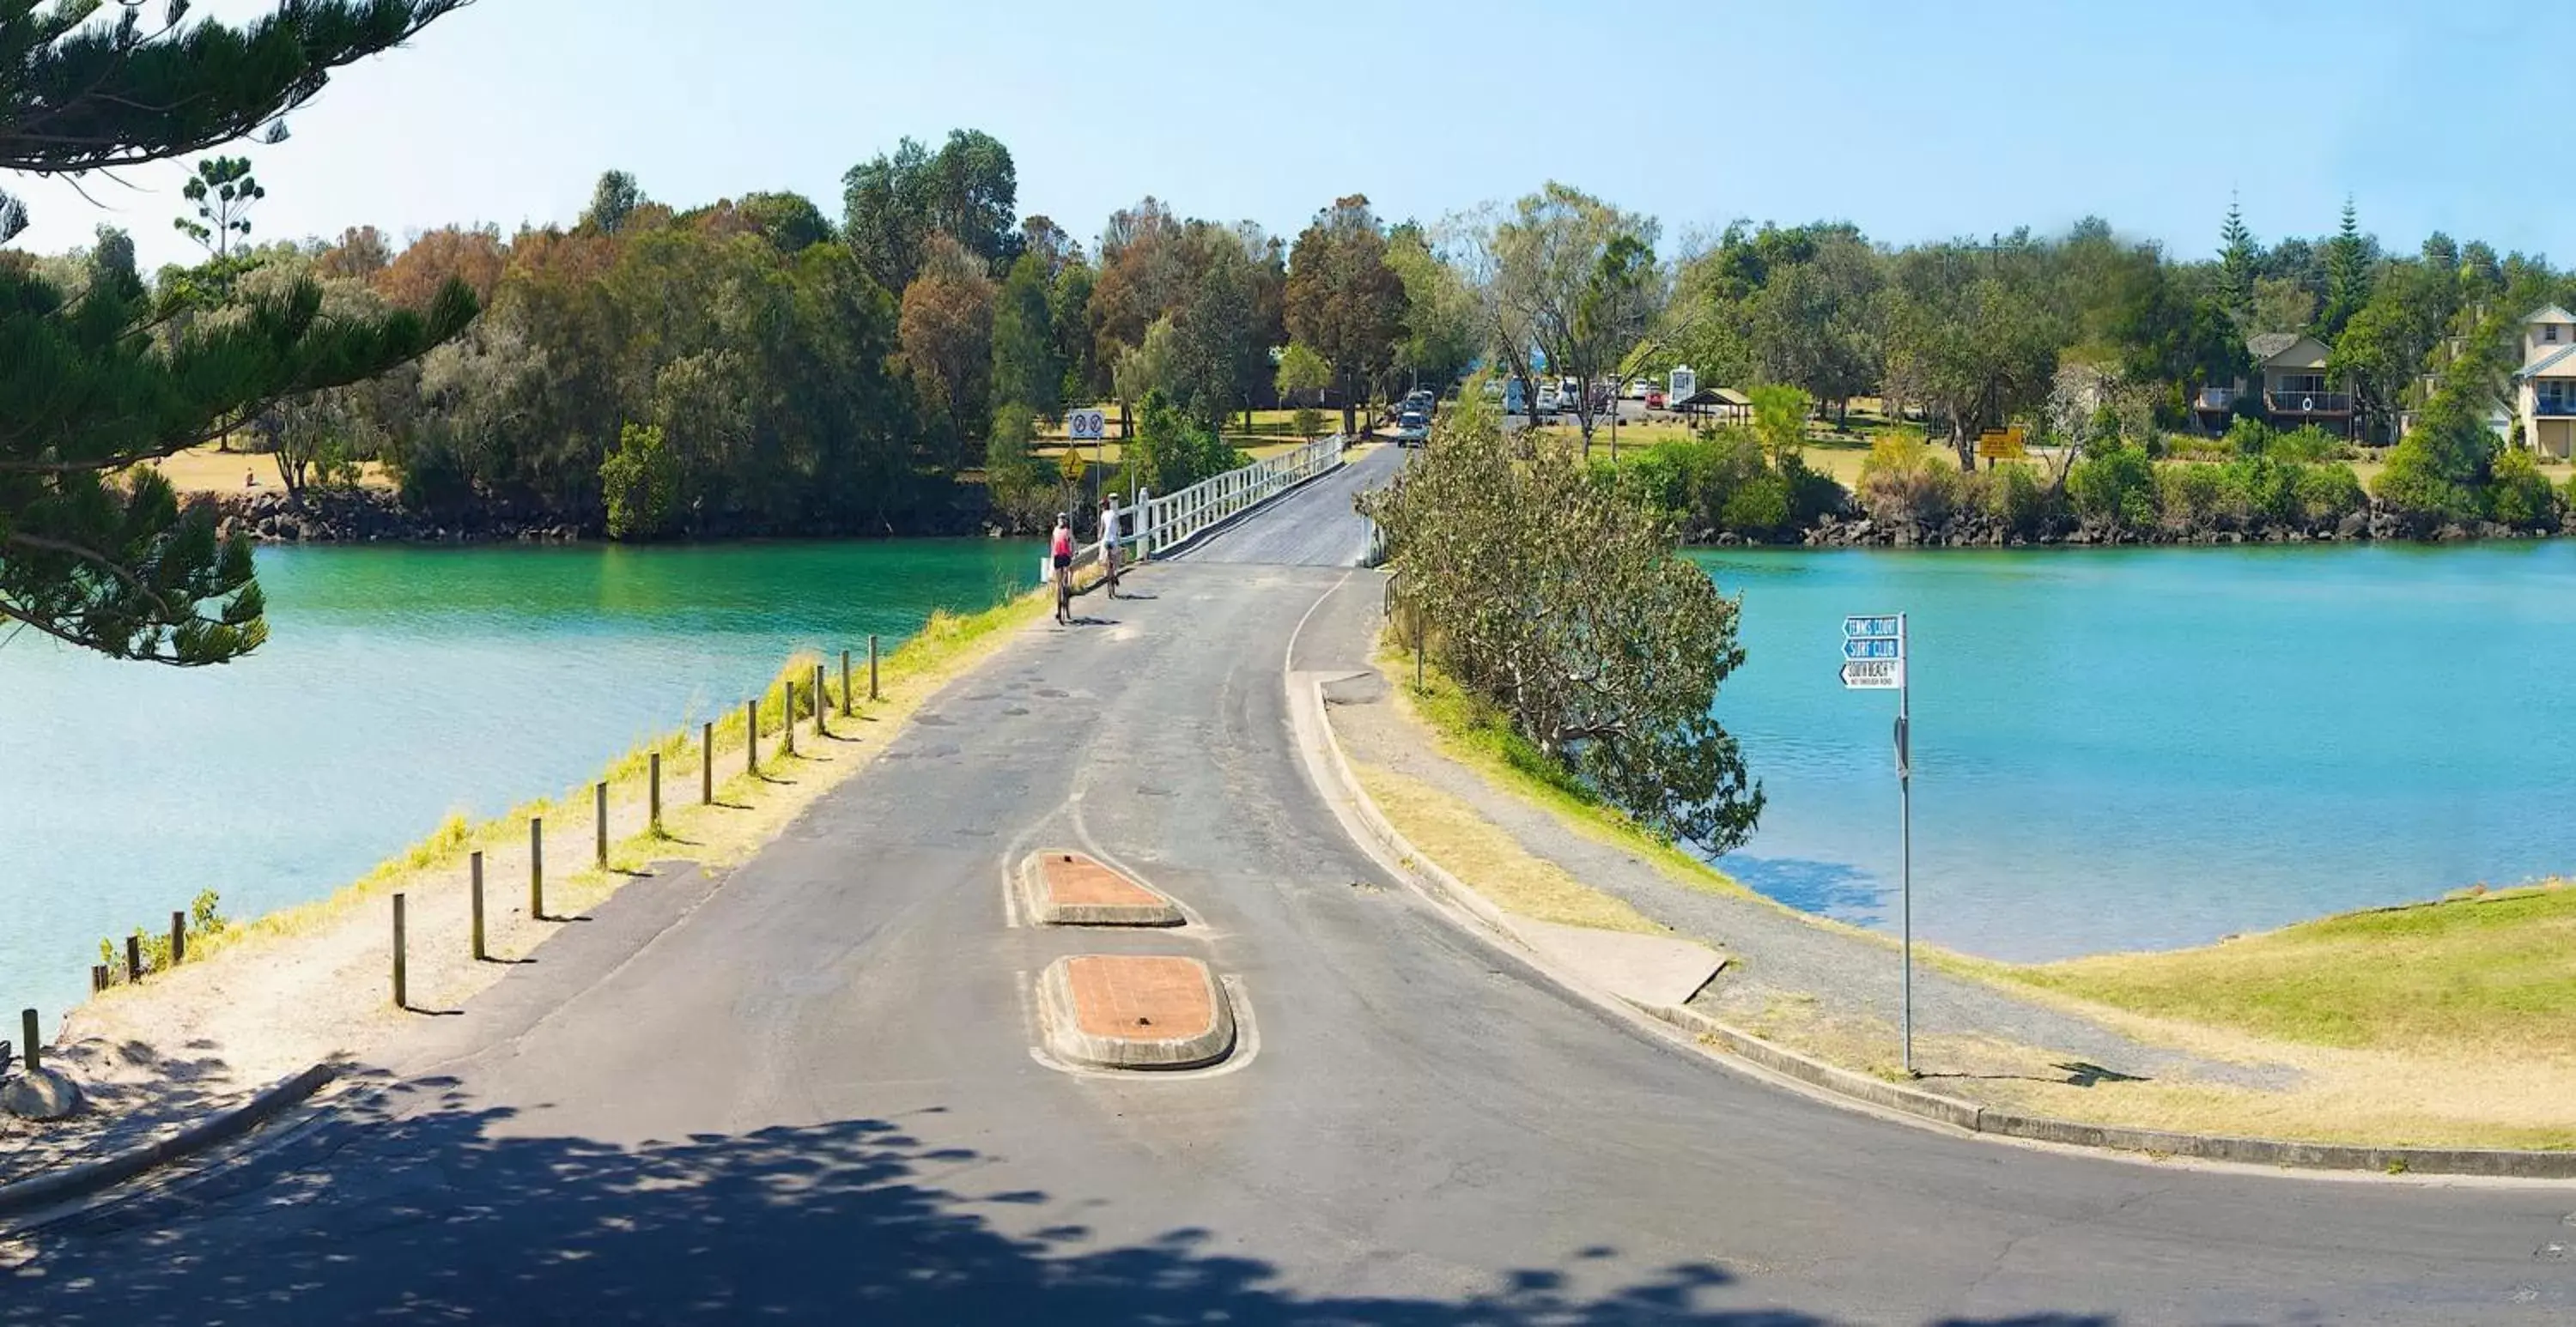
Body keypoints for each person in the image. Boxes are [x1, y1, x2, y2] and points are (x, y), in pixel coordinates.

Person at [1049, 512, 1075, 624]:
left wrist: (1072, 553)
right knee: (1059, 584)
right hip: (1059, 557)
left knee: (1063, 581)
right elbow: (1052, 543)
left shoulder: (1067, 531)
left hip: (1064, 557)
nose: (1062, 520)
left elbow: (1073, 543)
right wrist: (1052, 555)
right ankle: (1059, 608)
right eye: (1060, 519)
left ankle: (1065, 592)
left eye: (1063, 519)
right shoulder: (1056, 530)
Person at [1098, 494, 1123, 599]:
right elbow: (1117, 527)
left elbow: (1102, 529)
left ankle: (1106, 573)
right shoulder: (1114, 514)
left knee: (1103, 560)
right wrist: (1118, 534)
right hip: (1113, 540)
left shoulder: (1103, 515)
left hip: (1106, 541)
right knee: (1116, 558)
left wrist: (1099, 536)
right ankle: (1115, 573)